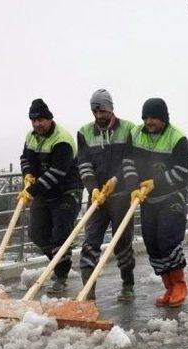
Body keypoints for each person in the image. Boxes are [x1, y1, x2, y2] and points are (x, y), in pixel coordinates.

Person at [127, 98, 188, 307]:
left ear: (163, 117)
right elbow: (127, 162)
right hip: (147, 199)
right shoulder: (135, 134)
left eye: (153, 117)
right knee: (152, 242)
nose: (149, 121)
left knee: (167, 239)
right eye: (145, 117)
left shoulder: (177, 138)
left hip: (172, 197)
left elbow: (182, 172)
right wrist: (133, 186)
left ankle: (179, 285)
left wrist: (157, 183)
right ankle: (168, 287)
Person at [77, 89, 137, 301]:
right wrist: (93, 188)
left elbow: (130, 161)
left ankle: (128, 284)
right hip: (97, 197)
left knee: (122, 242)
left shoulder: (129, 129)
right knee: (90, 242)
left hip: (122, 196)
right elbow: (84, 164)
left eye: (103, 111)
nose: (99, 116)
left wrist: (120, 183)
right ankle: (88, 292)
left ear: (111, 109)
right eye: (96, 112)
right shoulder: (84, 132)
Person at [18, 99, 83, 295]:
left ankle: (61, 276)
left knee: (60, 235)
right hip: (44, 191)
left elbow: (56, 173)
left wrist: (31, 191)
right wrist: (27, 173)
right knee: (36, 233)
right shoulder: (31, 137)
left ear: (49, 119)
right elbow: (24, 158)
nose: (37, 124)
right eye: (34, 120)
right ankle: (59, 264)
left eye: (41, 120)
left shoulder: (62, 140)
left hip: (67, 191)